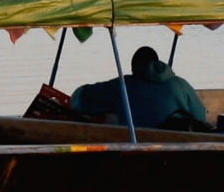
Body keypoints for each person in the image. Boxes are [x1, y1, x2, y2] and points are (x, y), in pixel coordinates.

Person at [70, 46, 210, 130]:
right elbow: (200, 116)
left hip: (140, 149)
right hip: (180, 148)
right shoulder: (180, 84)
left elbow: (80, 99)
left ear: (134, 69)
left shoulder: (123, 86)